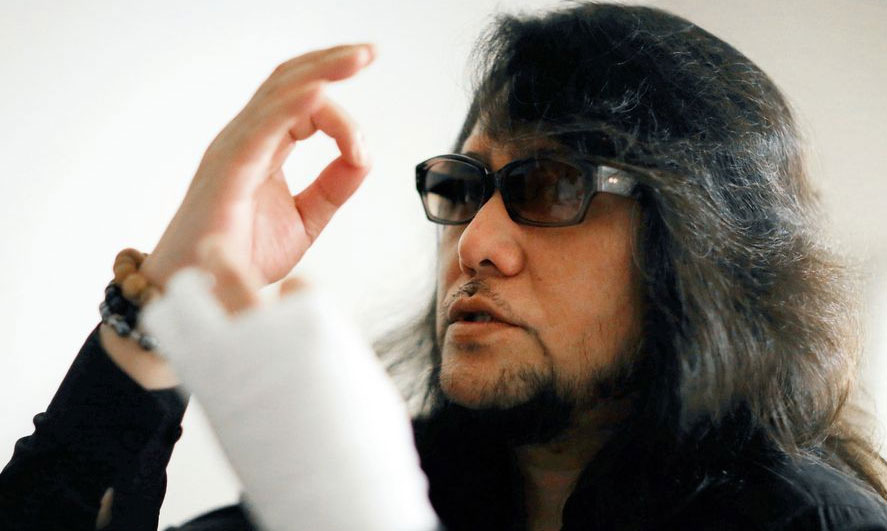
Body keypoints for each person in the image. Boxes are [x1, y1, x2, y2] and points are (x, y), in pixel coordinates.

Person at [2, 2, 886, 530]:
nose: (474, 242)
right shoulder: (334, 486)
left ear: (699, 243)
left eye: (549, 185)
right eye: (462, 189)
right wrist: (167, 294)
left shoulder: (815, 523)